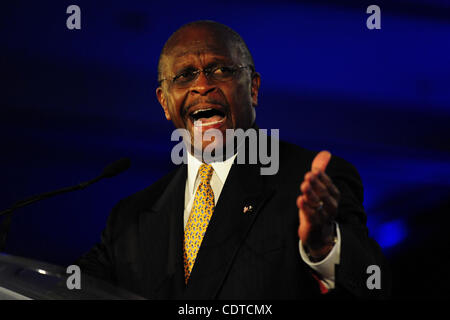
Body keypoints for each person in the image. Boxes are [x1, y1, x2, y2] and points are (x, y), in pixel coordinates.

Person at [76, 20, 390, 299]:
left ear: (253, 88)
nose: (202, 85)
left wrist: (324, 247)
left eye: (221, 70)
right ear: (165, 102)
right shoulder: (129, 219)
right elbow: (69, 288)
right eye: (185, 75)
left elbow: (374, 286)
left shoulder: (310, 182)